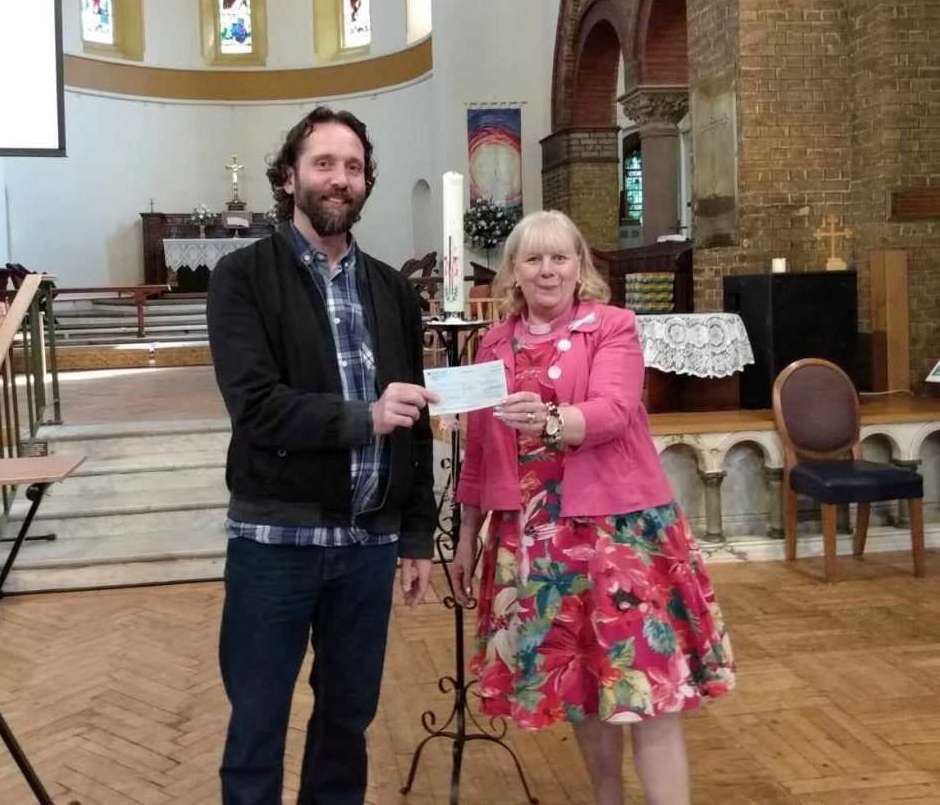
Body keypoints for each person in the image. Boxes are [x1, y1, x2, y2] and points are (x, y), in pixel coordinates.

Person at [447, 210, 734, 805]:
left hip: (618, 535)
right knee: (581, 686)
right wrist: (466, 536)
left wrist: (550, 420)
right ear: (514, 270)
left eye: (560, 257)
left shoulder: (612, 326)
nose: (547, 270)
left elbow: (614, 410)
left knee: (647, 685)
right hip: (536, 540)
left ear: (579, 265)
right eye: (534, 258)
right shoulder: (494, 344)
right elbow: (479, 452)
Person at [207, 106, 439, 805]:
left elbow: (415, 419)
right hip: (275, 541)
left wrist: (416, 533)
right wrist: (365, 418)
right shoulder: (242, 277)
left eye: (354, 167)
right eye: (324, 164)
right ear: (289, 177)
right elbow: (256, 406)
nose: (340, 179)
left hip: (367, 545)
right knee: (257, 724)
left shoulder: (393, 290)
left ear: (366, 183)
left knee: (347, 723)